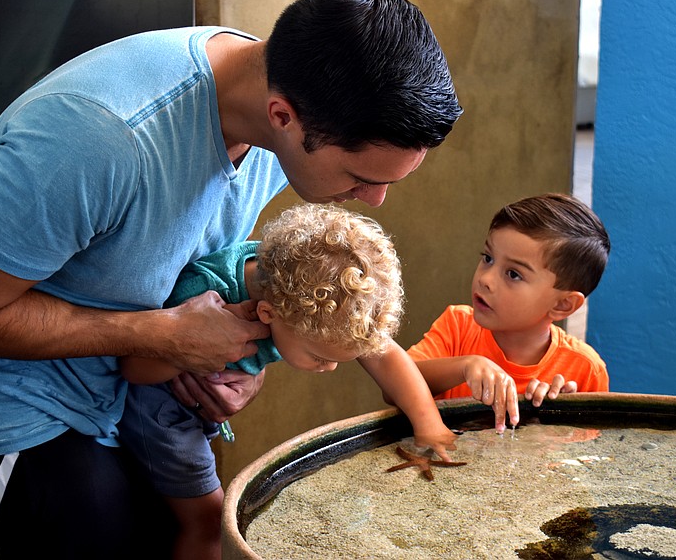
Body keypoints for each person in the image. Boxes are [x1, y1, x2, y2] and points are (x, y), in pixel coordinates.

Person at [0, 0, 463, 556]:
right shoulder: (99, 141)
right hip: (2, 416)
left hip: (125, 405)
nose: (374, 201)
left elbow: (189, 265)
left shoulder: (273, 113)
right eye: (361, 176)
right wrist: (162, 336)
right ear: (283, 115)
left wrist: (238, 366)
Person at [119, 202, 457, 559]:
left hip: (199, 411)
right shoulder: (208, 295)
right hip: (160, 414)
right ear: (266, 314)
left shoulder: (311, 297)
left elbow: (385, 356)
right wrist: (184, 355)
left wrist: (429, 424)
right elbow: (134, 368)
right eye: (320, 358)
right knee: (207, 522)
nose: (329, 368)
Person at [407, 193, 610, 434]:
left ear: (563, 305)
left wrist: (562, 420)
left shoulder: (585, 369)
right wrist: (465, 366)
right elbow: (394, 385)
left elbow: (589, 456)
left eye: (513, 274)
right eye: (488, 258)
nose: (485, 279)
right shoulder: (458, 326)